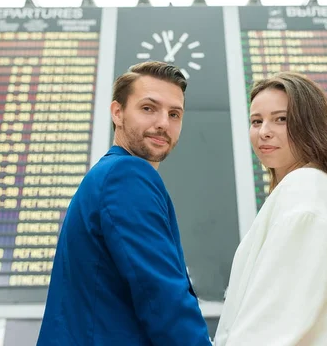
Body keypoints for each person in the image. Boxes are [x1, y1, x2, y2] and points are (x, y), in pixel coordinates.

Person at [37, 61, 211, 346]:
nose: (163, 123)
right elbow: (161, 293)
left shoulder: (106, 175)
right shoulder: (126, 174)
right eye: (148, 108)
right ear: (117, 113)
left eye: (174, 114)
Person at [214, 72, 327, 346]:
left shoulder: (306, 190)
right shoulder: (311, 189)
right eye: (256, 121)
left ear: (311, 125)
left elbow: (271, 327)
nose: (264, 131)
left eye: (281, 119)